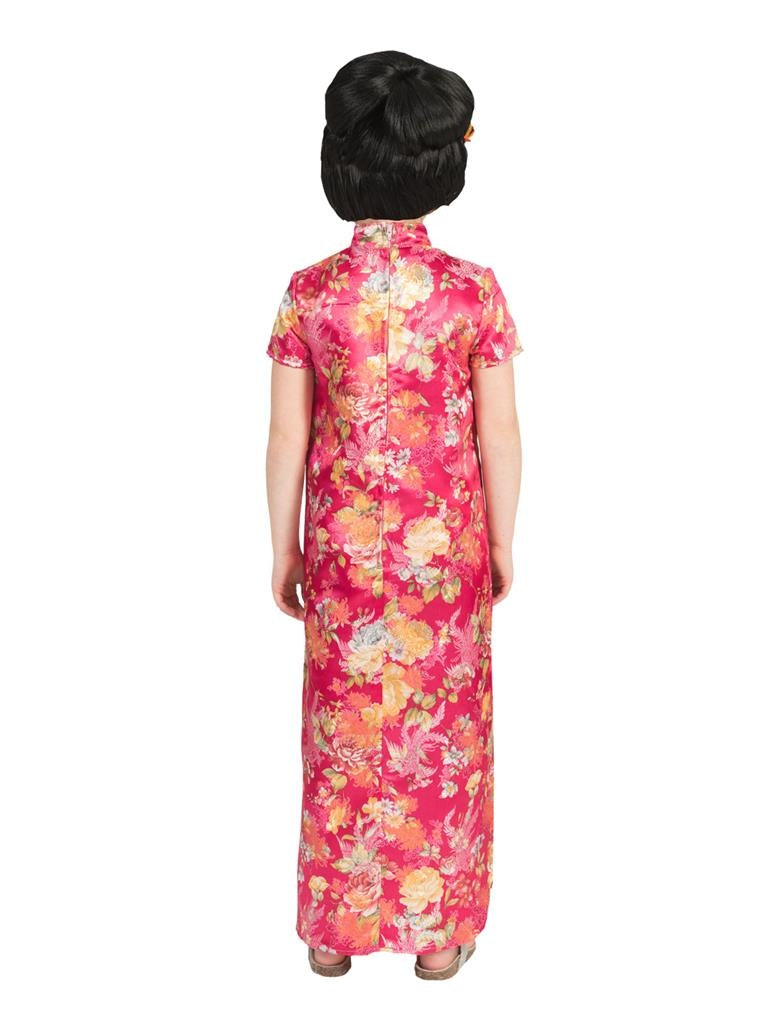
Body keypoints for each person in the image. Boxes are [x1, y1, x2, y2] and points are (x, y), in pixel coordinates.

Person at [265, 50, 523, 980]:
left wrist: (283, 549)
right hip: (442, 551)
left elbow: (287, 437)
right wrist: (500, 540)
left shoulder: (309, 291)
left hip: (340, 549)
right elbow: (498, 430)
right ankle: (438, 936)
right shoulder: (472, 290)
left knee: (340, 733)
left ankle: (331, 933)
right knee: (444, 738)